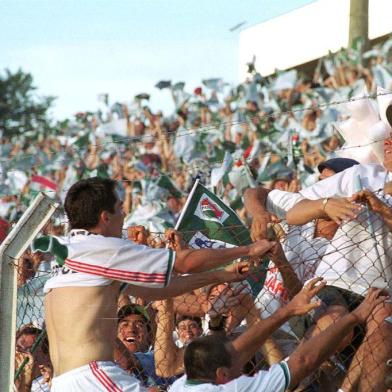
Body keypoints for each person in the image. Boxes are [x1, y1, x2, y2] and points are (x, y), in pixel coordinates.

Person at [37, 177, 274, 391]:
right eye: (120, 208)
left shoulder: (69, 253)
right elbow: (185, 263)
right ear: (105, 217)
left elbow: (158, 290)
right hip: (92, 377)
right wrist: (248, 250)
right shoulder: (103, 248)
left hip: (63, 382)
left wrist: (219, 276)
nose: (124, 216)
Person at [243, 138, 392, 391]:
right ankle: (288, 385)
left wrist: (382, 210)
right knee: (335, 322)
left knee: (384, 325)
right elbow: (292, 211)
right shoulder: (360, 175)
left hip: (380, 291)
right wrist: (325, 204)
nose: (387, 143)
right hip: (332, 283)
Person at [169, 281, 388, 392]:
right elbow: (303, 361)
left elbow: (220, 348)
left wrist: (289, 309)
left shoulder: (181, 385)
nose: (243, 351)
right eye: (238, 356)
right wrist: (356, 316)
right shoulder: (236, 389)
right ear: (223, 374)